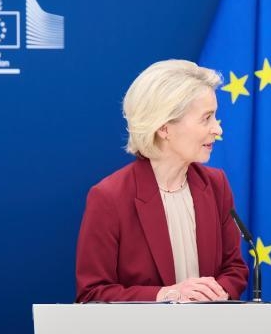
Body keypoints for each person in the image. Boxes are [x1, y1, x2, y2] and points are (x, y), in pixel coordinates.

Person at [75, 59, 249, 303]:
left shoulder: (216, 185)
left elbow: (235, 270)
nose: (218, 129)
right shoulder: (109, 197)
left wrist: (217, 292)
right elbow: (92, 294)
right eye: (206, 118)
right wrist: (168, 295)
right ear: (164, 128)